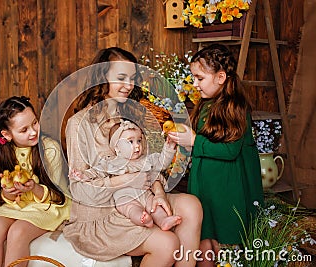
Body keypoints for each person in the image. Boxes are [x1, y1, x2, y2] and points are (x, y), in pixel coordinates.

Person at [63, 47, 202, 267]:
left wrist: (158, 194)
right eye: (121, 78)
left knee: (191, 205)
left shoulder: (132, 115)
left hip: (141, 196)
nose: (129, 86)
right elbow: (80, 190)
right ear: (101, 77)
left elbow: (148, 164)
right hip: (103, 213)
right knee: (167, 244)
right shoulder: (79, 124)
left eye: (132, 79)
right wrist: (124, 181)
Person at [167, 44, 264, 266]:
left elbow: (230, 151)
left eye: (199, 78)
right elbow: (204, 139)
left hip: (226, 187)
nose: (194, 84)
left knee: (223, 241)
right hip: (205, 184)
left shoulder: (235, 107)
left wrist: (194, 142)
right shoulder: (206, 103)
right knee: (204, 239)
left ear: (221, 77)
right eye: (193, 78)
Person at [0, 96, 71, 267]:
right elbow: (3, 193)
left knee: (17, 232)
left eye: (35, 123)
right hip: (19, 205)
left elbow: (58, 196)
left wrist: (35, 188)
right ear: (6, 135)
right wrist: (8, 193)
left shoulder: (49, 149)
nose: (33, 131)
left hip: (49, 205)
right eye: (24, 130)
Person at [70, 119, 182, 230]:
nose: (137, 146)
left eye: (139, 141)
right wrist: (83, 175)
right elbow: (96, 172)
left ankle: (163, 221)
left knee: (154, 206)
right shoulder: (112, 162)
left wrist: (169, 147)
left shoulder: (145, 160)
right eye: (130, 142)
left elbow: (161, 163)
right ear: (117, 148)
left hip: (145, 194)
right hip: (124, 197)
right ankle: (142, 219)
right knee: (131, 209)